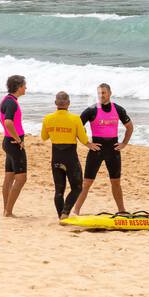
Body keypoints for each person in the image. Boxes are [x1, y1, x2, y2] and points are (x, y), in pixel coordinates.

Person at [71, 84, 134, 216]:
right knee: (87, 182)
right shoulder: (91, 110)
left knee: (116, 182)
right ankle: (76, 211)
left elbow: (129, 127)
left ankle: (121, 210)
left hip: (113, 150)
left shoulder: (118, 109)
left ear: (110, 93)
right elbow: (77, 127)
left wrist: (123, 143)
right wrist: (87, 143)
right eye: (99, 93)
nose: (101, 95)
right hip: (96, 151)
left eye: (104, 93)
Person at [41, 91, 97, 220]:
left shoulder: (48, 118)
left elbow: (44, 137)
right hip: (70, 157)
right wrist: (89, 142)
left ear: (56, 103)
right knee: (77, 187)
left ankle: (61, 215)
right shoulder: (75, 119)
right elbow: (83, 139)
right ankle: (66, 212)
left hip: (56, 157)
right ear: (68, 103)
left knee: (59, 190)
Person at [0, 75, 28, 217]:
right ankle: (8, 211)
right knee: (21, 178)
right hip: (13, 143)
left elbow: (3, 120)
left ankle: (6, 209)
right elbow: (8, 122)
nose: (26, 88)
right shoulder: (12, 103)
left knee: (9, 177)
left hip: (7, 141)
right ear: (18, 87)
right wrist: (18, 139)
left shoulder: (6, 100)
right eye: (24, 85)